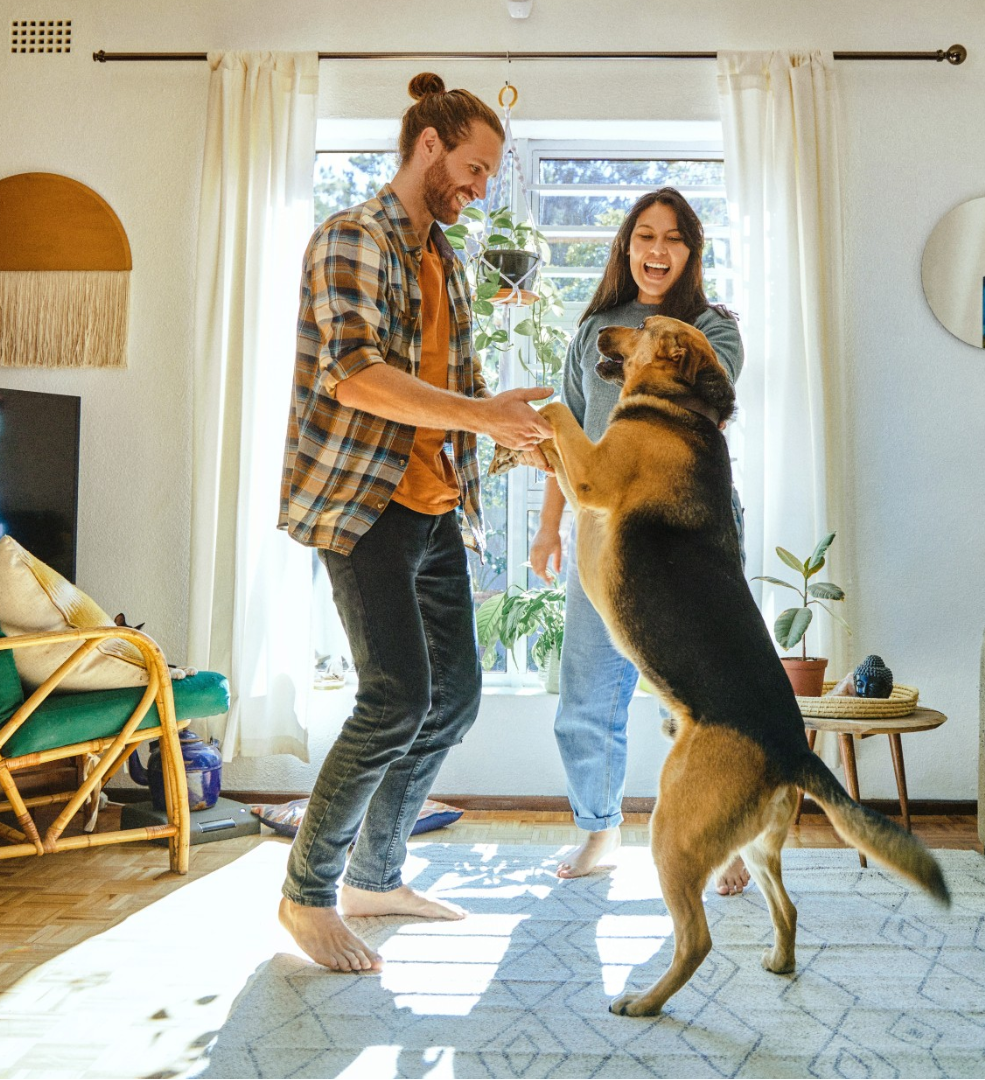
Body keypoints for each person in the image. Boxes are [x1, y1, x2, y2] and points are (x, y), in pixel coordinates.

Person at [278, 72, 553, 972]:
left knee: (455, 697)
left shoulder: (447, 261)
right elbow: (354, 375)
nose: (480, 188)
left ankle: (375, 876)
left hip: (435, 508)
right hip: (364, 504)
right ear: (428, 146)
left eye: (489, 176)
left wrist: (520, 439)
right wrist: (481, 416)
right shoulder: (351, 238)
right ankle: (307, 893)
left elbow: (456, 395)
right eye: (473, 168)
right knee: (394, 696)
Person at [529, 187, 751, 892]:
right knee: (587, 692)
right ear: (627, 246)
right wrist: (547, 526)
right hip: (601, 532)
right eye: (645, 236)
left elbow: (703, 404)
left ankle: (719, 832)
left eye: (673, 238)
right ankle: (599, 828)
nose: (658, 250)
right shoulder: (596, 328)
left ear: (691, 252)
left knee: (695, 694)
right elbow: (568, 428)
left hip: (686, 532)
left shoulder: (712, 330)